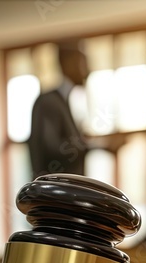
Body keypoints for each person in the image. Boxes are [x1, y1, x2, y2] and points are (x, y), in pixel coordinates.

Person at [28, 43, 124, 178]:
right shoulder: (48, 102)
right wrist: (97, 146)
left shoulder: (62, 102)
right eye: (83, 63)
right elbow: (53, 150)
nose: (88, 70)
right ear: (68, 63)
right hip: (54, 194)